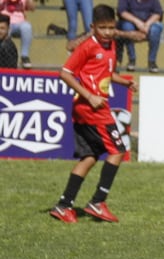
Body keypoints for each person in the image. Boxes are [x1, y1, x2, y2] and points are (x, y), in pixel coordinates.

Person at [50, 4, 137, 224]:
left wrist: (124, 82)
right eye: (102, 28)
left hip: (90, 107)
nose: (107, 32)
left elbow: (106, 72)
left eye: (111, 27)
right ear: (92, 27)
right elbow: (65, 73)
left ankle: (63, 205)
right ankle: (97, 202)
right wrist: (90, 96)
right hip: (92, 108)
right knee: (117, 150)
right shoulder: (88, 46)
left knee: (89, 156)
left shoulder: (112, 45)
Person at [116, 0, 164, 73]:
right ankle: (132, 59)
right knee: (127, 27)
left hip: (149, 25)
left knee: (157, 29)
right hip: (130, 23)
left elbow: (158, 13)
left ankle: (152, 61)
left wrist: (147, 24)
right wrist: (137, 22)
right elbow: (122, 12)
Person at [0, 0, 33, 69]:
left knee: (27, 27)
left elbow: (32, 8)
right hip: (3, 21)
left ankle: (24, 57)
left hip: (19, 23)